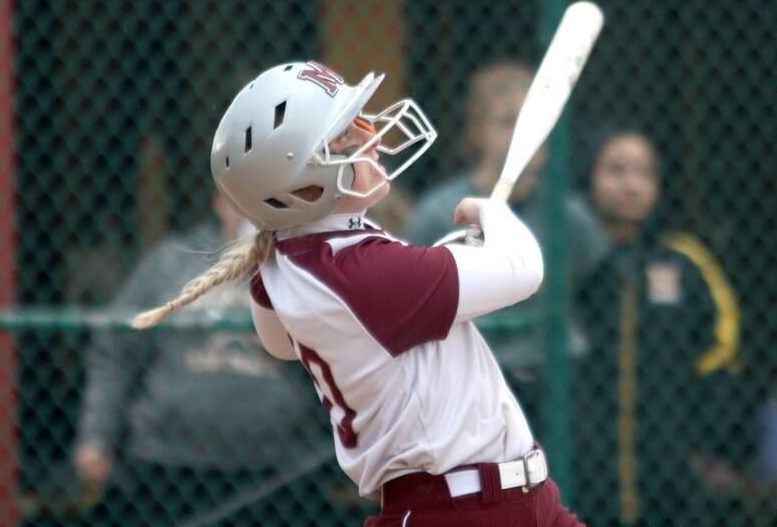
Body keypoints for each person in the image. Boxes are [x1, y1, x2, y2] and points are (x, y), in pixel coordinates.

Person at [132, 60, 586, 526]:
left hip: (510, 499)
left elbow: (280, 343)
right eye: (348, 139)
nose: (371, 139)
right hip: (461, 509)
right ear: (304, 185)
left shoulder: (292, 258)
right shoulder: (358, 271)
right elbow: (525, 269)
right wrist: (494, 216)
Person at [73, 191, 330, 526]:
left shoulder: (300, 265)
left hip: (277, 471)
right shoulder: (172, 260)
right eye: (242, 195)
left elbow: (336, 362)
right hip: (167, 466)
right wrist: (96, 438)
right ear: (218, 202)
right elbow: (116, 354)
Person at [404, 60, 609, 406]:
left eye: (532, 121)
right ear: (477, 133)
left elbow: (600, 295)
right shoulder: (439, 213)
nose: (522, 133)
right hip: (470, 386)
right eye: (506, 122)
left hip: (557, 386)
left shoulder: (569, 216)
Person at [573, 129, 742, 526]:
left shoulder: (685, 261)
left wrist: (704, 439)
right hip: (585, 462)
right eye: (616, 170)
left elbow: (722, 347)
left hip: (669, 463)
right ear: (590, 176)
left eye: (645, 173)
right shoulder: (569, 260)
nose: (631, 185)